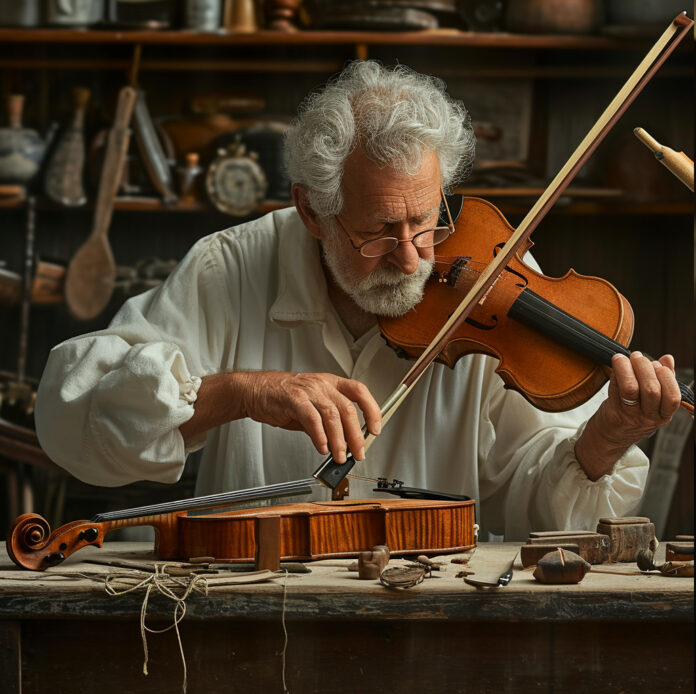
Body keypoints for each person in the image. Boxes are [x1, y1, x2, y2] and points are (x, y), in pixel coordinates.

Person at [35, 61, 681, 541]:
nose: (411, 258)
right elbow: (72, 417)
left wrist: (602, 442)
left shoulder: (491, 277)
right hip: (254, 623)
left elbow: (537, 510)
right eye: (377, 233)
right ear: (310, 211)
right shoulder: (228, 268)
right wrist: (240, 392)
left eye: (425, 222)